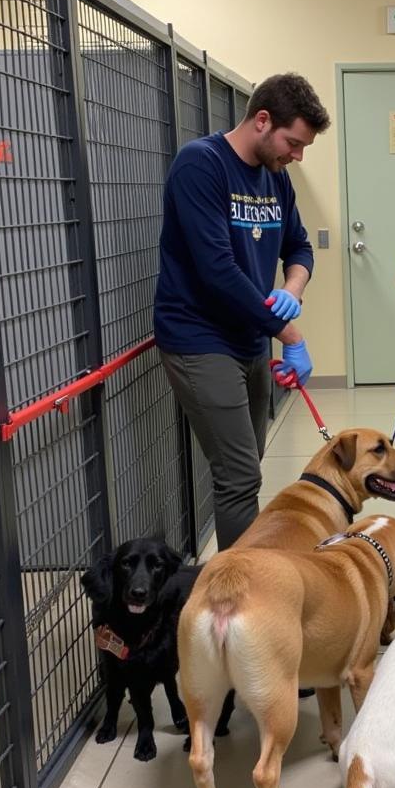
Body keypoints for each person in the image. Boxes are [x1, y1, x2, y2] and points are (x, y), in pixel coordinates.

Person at [155, 73, 330, 550]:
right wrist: (289, 334)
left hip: (251, 336)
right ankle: (240, 598)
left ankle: (244, 582)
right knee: (237, 477)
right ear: (262, 120)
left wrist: (292, 287)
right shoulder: (201, 165)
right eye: (293, 143)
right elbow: (217, 270)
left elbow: (299, 246)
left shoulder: (276, 177)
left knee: (250, 461)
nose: (297, 155)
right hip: (199, 338)